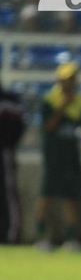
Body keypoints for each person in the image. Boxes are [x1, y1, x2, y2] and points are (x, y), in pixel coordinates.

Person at [35, 62, 81, 252]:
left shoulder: (80, 102)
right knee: (47, 197)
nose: (71, 83)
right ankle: (41, 237)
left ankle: (71, 239)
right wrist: (64, 104)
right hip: (53, 157)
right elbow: (48, 126)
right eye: (67, 79)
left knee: (70, 198)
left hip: (71, 157)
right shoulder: (49, 100)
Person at [0, 81, 26, 244]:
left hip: (4, 152)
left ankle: (11, 233)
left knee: (8, 193)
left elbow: (19, 124)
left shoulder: (9, 100)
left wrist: (9, 143)